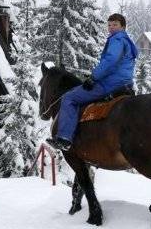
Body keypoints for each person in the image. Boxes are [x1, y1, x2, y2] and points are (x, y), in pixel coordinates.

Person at [46, 13, 139, 151]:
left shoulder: (117, 39)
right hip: (124, 84)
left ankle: (64, 139)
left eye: (115, 25)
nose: (111, 28)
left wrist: (93, 78)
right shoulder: (127, 42)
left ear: (123, 27)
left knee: (69, 98)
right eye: (109, 25)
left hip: (110, 84)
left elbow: (110, 61)